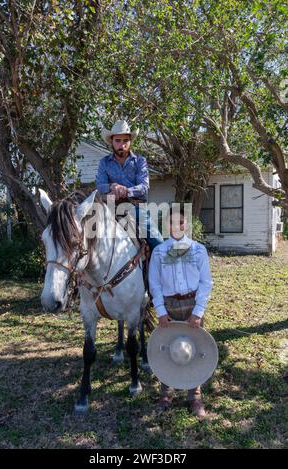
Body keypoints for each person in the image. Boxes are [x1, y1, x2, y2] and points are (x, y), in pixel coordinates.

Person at [148, 206, 213, 417]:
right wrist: (159, 310)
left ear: (187, 225)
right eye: (173, 222)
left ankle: (194, 396)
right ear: (167, 226)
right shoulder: (159, 252)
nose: (177, 226)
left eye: (181, 222)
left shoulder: (198, 250)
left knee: (192, 349)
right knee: (167, 348)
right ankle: (166, 393)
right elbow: (155, 283)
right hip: (169, 306)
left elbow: (205, 282)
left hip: (192, 304)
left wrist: (199, 310)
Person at [96, 119, 163, 250]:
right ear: (112, 142)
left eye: (125, 140)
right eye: (118, 140)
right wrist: (112, 186)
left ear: (130, 141)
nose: (122, 145)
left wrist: (126, 190)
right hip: (111, 208)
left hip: (136, 208)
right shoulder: (104, 162)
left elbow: (144, 186)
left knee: (159, 244)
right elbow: (100, 185)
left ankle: (164, 268)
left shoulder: (140, 161)